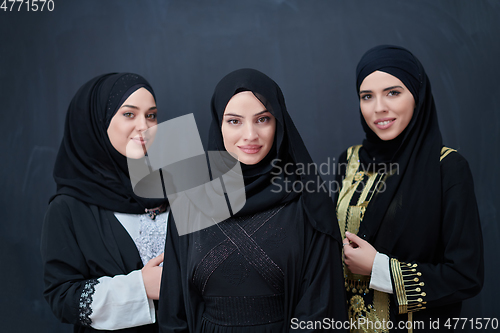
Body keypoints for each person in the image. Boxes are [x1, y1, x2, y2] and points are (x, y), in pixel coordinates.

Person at [158, 68, 348, 332]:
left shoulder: (309, 201)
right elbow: (173, 310)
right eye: (235, 121)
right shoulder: (189, 202)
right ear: (219, 125)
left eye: (262, 119)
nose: (250, 135)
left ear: (278, 123)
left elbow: (320, 309)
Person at [336, 45, 484, 332]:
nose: (379, 107)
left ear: (417, 96)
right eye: (367, 96)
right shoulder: (349, 160)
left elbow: (466, 276)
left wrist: (379, 269)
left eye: (393, 92)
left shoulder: (448, 168)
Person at [41, 73, 169, 332]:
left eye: (151, 115)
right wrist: (140, 287)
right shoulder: (68, 207)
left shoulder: (173, 182)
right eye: (129, 114)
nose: (144, 126)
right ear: (97, 121)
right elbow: (62, 298)